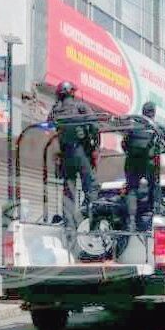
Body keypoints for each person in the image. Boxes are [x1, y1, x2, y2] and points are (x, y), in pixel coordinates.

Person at [47, 81, 100, 229]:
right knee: (91, 188)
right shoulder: (81, 107)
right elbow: (95, 125)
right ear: (72, 92)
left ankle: (69, 227)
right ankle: (91, 225)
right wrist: (91, 140)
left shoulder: (55, 110)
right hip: (81, 151)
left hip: (65, 155)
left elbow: (50, 125)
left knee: (68, 191)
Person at [122, 101, 163, 231]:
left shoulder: (133, 125)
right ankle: (153, 218)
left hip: (132, 161)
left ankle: (131, 222)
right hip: (149, 162)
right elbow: (162, 145)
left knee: (132, 190)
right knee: (154, 186)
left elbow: (124, 144)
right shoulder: (156, 127)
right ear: (154, 113)